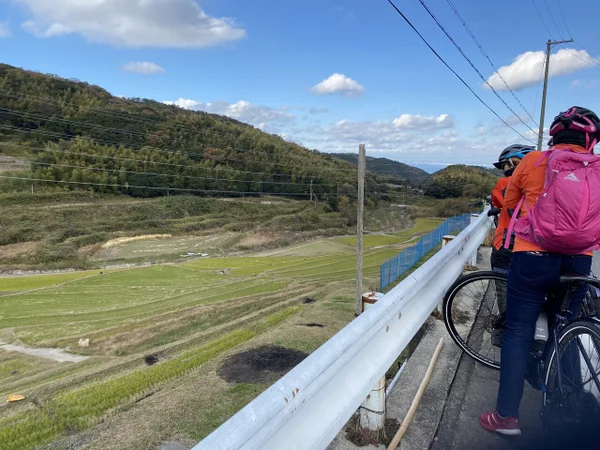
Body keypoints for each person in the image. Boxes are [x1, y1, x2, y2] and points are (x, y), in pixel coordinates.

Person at [480, 106, 600, 435]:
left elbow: (509, 203)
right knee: (569, 327)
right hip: (578, 260)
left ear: (553, 135)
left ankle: (506, 418)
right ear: (592, 140)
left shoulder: (533, 161)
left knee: (518, 333)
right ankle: (568, 392)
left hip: (531, 257)